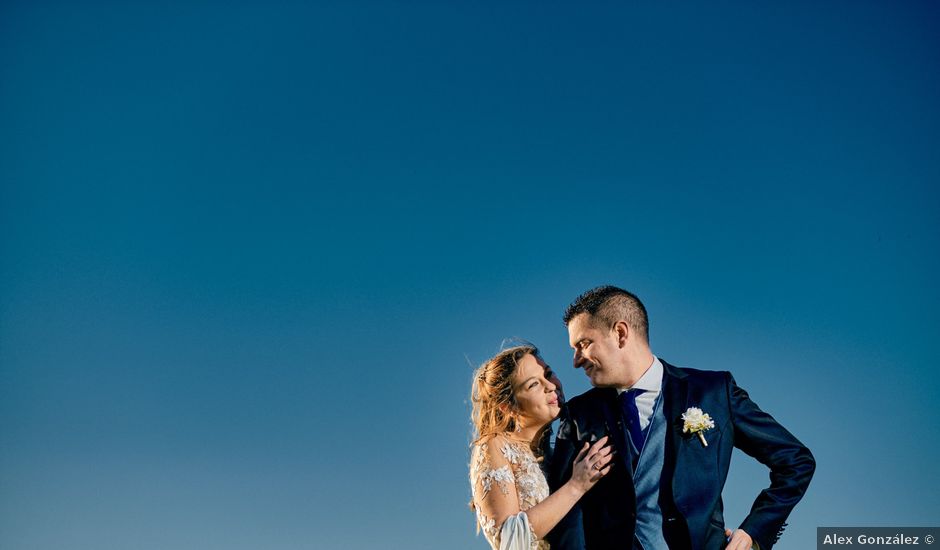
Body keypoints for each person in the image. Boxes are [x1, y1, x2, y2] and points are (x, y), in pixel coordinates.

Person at [546, 286, 815, 550]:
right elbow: (569, 515)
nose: (576, 361)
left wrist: (753, 532)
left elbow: (796, 461)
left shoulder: (713, 392)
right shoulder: (579, 413)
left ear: (620, 333)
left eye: (583, 344)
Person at [470, 344, 614, 550]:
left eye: (548, 373)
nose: (550, 385)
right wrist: (577, 485)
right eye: (533, 385)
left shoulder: (553, 454)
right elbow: (506, 539)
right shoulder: (493, 446)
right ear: (508, 406)